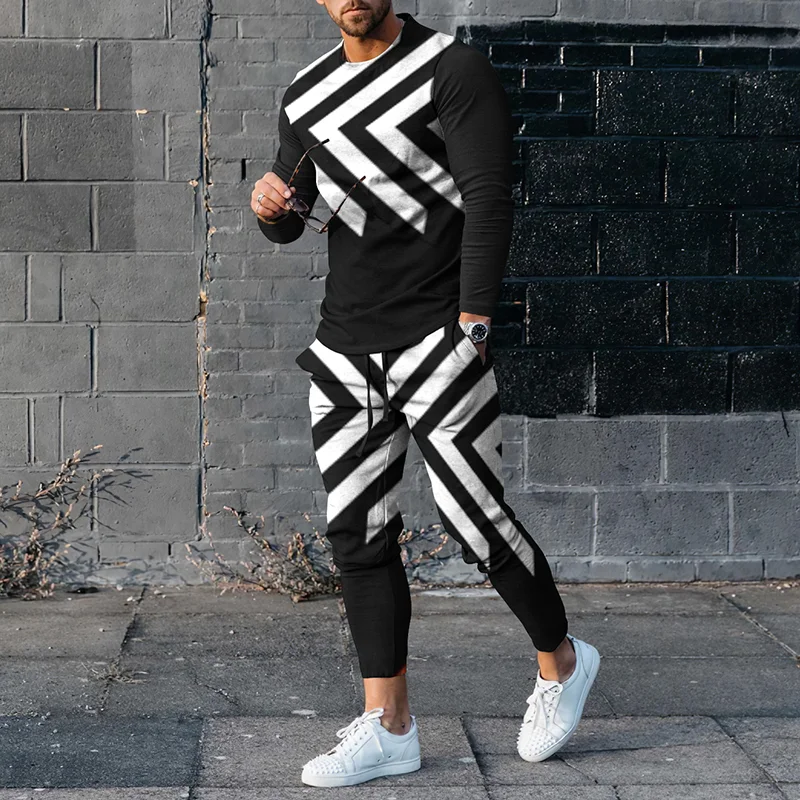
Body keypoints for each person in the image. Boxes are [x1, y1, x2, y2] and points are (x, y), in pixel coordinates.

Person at [250, 0, 600, 788]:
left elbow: (489, 197)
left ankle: (563, 661)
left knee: (474, 517)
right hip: (345, 346)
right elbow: (301, 216)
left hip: (438, 334)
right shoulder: (306, 94)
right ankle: (390, 727)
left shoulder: (451, 69)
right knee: (357, 532)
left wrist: (472, 324)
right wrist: (273, 207)